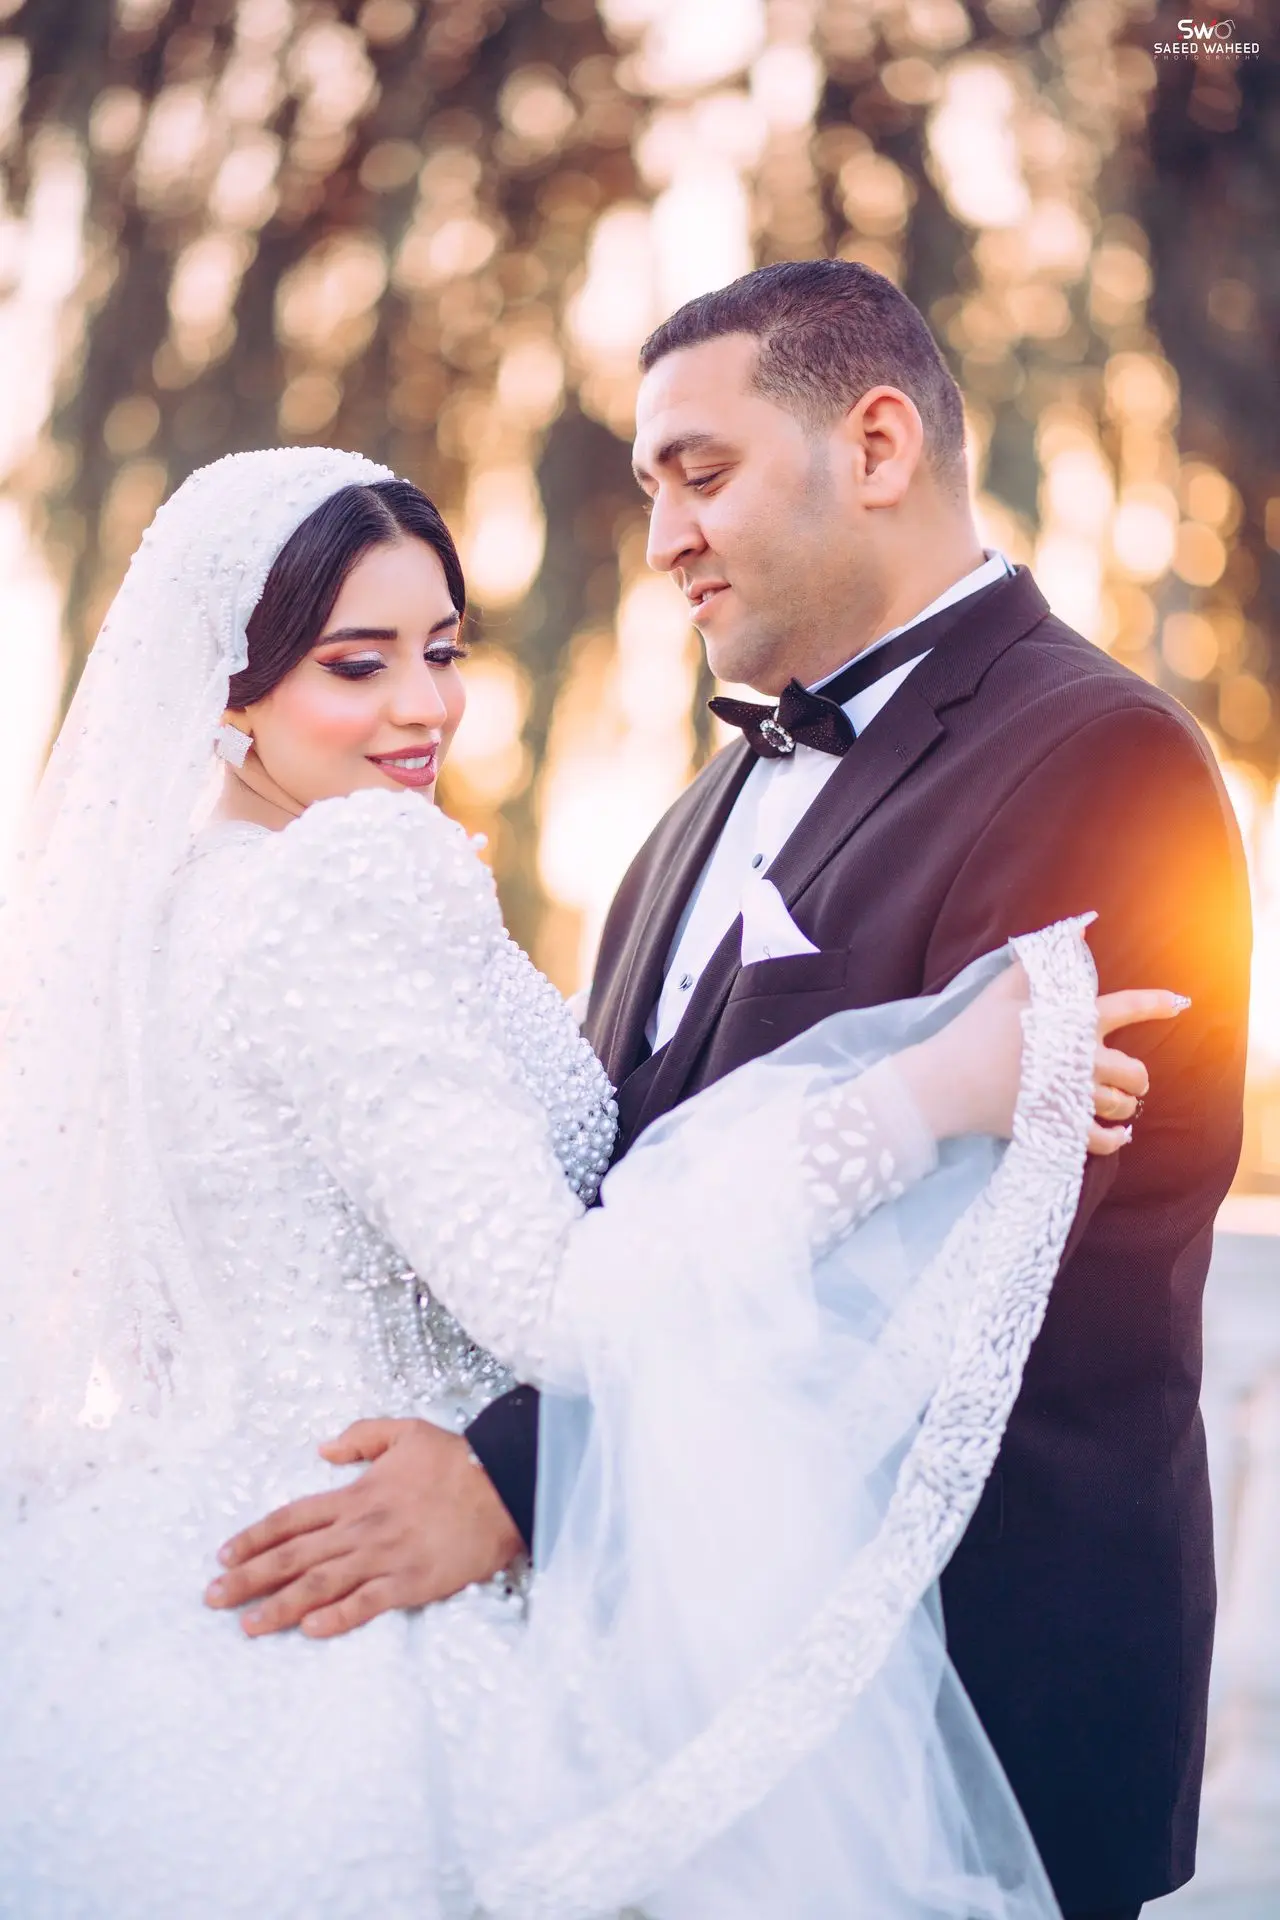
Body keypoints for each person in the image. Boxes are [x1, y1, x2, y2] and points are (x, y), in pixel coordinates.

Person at [0, 445, 1168, 1918]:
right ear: (229, 690)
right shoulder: (340, 890)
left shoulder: (169, 914)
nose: (423, 707)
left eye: (441, 652)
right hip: (403, 1589)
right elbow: (565, 1304)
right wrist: (927, 1094)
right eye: (355, 666)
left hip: (195, 1568)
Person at [216, 265, 1252, 1920]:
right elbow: (613, 1200)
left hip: (966, 1709)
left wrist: (514, 1480)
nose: (662, 539)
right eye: (650, 488)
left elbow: (967, 1246)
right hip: (677, 1698)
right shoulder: (695, 817)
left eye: (701, 474)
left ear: (879, 444)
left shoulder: (1100, 759)